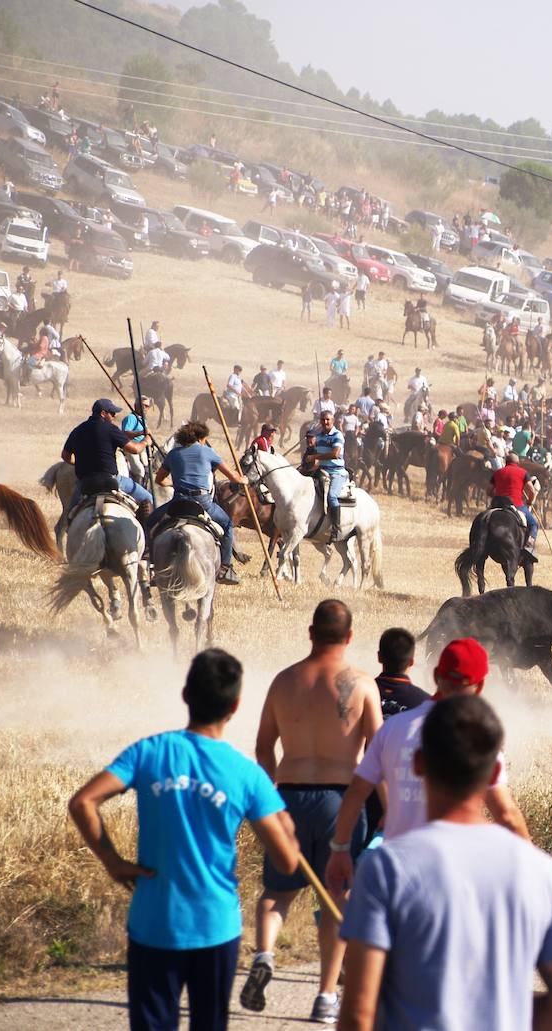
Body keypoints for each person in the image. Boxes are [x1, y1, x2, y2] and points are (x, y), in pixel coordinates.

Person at [68, 650, 299, 1031]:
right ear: (236, 706)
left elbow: (83, 802)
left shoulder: (149, 751)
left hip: (154, 921)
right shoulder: (246, 773)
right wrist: (287, 829)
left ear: (186, 695)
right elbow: (287, 863)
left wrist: (112, 861)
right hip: (216, 925)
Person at [338, 695, 552, 1031]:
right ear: (496, 770)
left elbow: (358, 1014)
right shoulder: (544, 872)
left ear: (418, 765)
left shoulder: (386, 869)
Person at [243, 601, 382, 1024]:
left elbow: (263, 747)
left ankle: (265, 952)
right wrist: (385, 811)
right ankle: (324, 997)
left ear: (310, 632)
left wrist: (271, 797)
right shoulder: (361, 684)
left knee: (277, 892)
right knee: (336, 898)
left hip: (289, 796)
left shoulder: (284, 681)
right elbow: (377, 753)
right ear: (351, 636)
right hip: (340, 803)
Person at [326, 636, 529, 899]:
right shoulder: (481, 736)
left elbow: (356, 792)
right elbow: (506, 814)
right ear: (480, 686)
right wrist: (531, 866)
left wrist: (340, 848)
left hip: (397, 872)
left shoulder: (394, 728)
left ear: (435, 675)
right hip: (453, 876)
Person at [147, 421, 243, 585]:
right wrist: (243, 479)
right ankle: (225, 568)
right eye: (205, 439)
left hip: (179, 501)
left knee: (150, 521)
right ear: (200, 438)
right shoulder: (208, 452)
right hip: (203, 502)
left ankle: (152, 562)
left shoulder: (173, 454)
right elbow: (233, 477)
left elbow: (159, 479)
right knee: (227, 525)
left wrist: (174, 483)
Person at [62, 398, 152, 512]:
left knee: (70, 515)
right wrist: (145, 441)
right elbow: (134, 449)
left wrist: (81, 462)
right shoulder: (111, 429)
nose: (114, 417)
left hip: (85, 482)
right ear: (103, 413)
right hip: (111, 480)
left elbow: (65, 456)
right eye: (112, 413)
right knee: (148, 498)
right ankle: (146, 529)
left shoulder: (77, 430)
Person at [306, 410, 350, 542]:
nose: (325, 422)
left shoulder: (338, 435)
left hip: (337, 473)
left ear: (333, 421)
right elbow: (317, 458)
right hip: (322, 471)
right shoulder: (318, 437)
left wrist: (314, 456)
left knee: (331, 496)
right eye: (323, 420)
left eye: (328, 420)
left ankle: (336, 529)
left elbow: (335, 454)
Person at [489, 452, 540, 559]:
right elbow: (532, 491)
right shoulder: (523, 472)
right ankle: (529, 546)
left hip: (496, 504)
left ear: (506, 462)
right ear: (518, 462)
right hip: (516, 504)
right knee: (534, 524)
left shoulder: (498, 472)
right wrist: (529, 502)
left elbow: (488, 491)